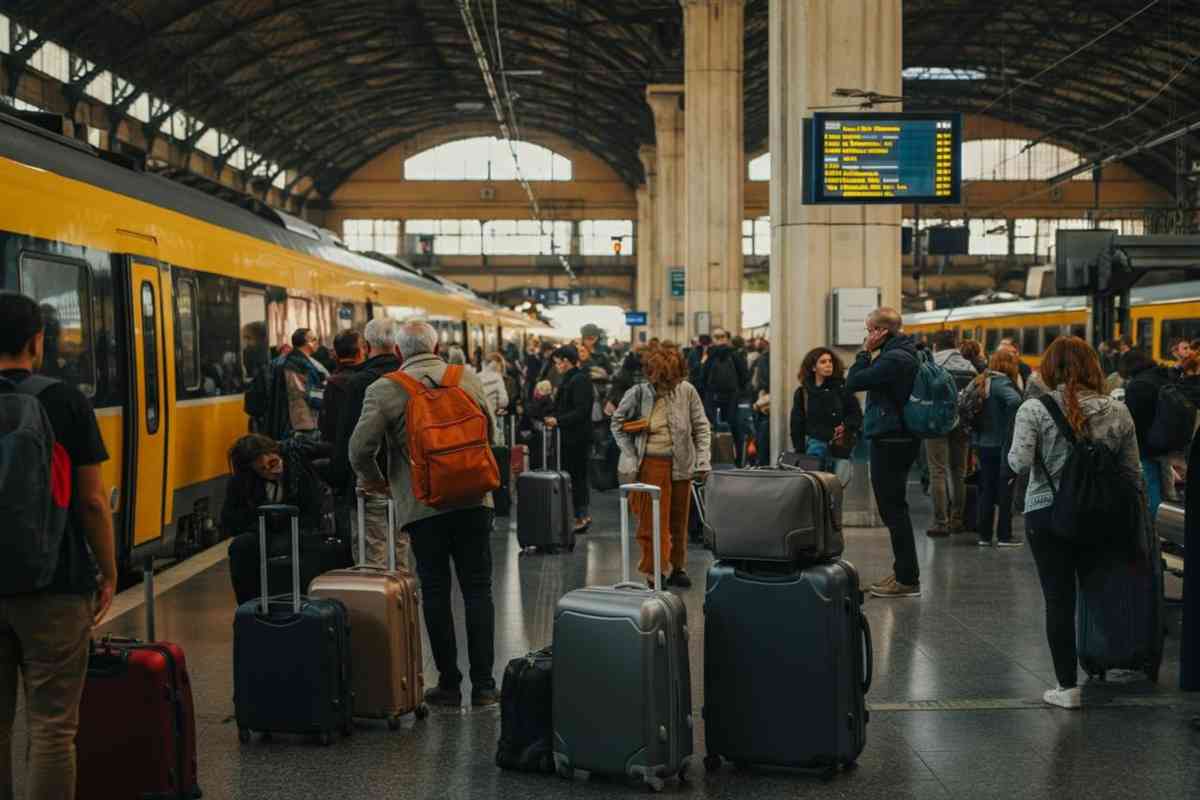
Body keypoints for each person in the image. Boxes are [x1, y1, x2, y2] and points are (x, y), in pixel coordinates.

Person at [0, 292, 115, 800]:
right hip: (56, 583)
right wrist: (108, 573)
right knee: (51, 727)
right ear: (37, 341)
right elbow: (92, 503)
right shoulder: (65, 400)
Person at [349, 320, 499, 708]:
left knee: (434, 591)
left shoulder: (385, 389)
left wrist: (379, 482)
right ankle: (484, 686)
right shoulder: (466, 377)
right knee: (478, 589)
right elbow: (491, 432)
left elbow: (359, 449)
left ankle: (448, 684)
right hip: (473, 501)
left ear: (398, 353)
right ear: (437, 346)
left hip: (422, 505)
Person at [1007, 337, 1143, 709]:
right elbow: (1133, 473)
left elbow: (1018, 463)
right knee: (1100, 591)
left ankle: (1067, 688)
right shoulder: (1117, 411)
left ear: (1050, 368)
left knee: (1059, 599)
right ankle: (1111, 664)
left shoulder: (1034, 409)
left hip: (1047, 514)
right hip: (1102, 513)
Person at [611, 344, 710, 588]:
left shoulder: (687, 391)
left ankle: (677, 567)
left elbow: (701, 425)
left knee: (679, 520)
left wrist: (703, 459)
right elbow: (617, 423)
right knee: (651, 522)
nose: (668, 387)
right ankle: (654, 572)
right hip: (650, 465)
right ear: (652, 374)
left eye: (672, 381)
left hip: (682, 463)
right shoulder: (638, 393)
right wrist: (631, 454)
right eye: (663, 382)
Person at [844, 307, 922, 599]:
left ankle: (907, 578)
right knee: (895, 509)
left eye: (869, 331)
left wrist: (864, 352)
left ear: (881, 332)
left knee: (893, 510)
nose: (867, 336)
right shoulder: (905, 352)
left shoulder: (894, 358)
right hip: (899, 437)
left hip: (892, 440)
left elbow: (854, 381)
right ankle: (903, 571)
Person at [330, 318, 409, 570]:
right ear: (397, 345)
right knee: (401, 547)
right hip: (406, 479)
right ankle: (401, 603)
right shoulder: (410, 378)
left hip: (371, 481)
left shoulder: (359, 382)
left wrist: (345, 479)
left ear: (366, 345)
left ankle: (377, 606)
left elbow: (350, 441)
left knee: (371, 552)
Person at [222, 434, 337, 605]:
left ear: (278, 454)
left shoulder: (298, 467)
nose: (271, 471)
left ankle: (305, 603)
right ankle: (250, 606)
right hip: (264, 531)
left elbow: (313, 506)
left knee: (308, 549)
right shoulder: (242, 482)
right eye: (262, 469)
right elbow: (230, 519)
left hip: (302, 528)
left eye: (273, 463)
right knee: (240, 547)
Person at [925, 330, 977, 537]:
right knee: (959, 471)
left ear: (935, 345)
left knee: (937, 471)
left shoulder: (931, 365)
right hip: (962, 423)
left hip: (937, 423)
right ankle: (957, 520)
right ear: (955, 344)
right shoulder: (969, 366)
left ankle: (940, 522)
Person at [971, 349, 1024, 547]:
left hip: (983, 444)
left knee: (986, 490)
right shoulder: (1002, 383)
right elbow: (1015, 401)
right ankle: (1004, 535)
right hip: (1002, 444)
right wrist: (1012, 422)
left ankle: (984, 535)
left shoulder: (982, 380)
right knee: (1005, 490)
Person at [789, 347, 862, 480]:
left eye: (830, 361)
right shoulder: (803, 393)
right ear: (813, 367)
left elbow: (856, 414)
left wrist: (846, 426)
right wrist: (799, 451)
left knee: (838, 486)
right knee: (815, 486)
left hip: (840, 447)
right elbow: (797, 423)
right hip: (815, 447)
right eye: (823, 362)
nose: (828, 364)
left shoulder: (843, 389)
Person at [545, 345, 595, 532]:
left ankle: (581, 516)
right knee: (573, 476)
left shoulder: (579, 380)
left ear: (566, 361)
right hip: (570, 437)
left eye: (558, 362)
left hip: (577, 438)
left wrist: (558, 420)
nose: (556, 366)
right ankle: (575, 515)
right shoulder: (572, 379)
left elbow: (581, 411)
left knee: (578, 477)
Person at [1121, 348, 1170, 516]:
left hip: (1147, 443)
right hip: (1166, 438)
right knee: (1166, 485)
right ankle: (1169, 523)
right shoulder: (1161, 376)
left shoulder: (1137, 385)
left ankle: (1156, 526)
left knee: (1151, 484)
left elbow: (1132, 418)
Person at [699, 329, 750, 464]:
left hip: (713, 396)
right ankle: (737, 460)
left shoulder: (709, 355)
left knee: (710, 429)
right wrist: (740, 392)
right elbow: (744, 376)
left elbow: (702, 377)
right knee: (735, 429)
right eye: (717, 336)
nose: (720, 339)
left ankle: (712, 459)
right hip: (732, 397)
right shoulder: (735, 355)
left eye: (721, 336)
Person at [279, 328, 330, 439]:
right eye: (315, 339)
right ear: (307, 343)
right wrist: (328, 398)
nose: (318, 342)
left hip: (306, 419)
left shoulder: (302, 361)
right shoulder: (297, 364)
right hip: (304, 422)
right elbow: (308, 393)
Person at [319, 330, 368, 444]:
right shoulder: (365, 379)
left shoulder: (332, 381)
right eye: (363, 347)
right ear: (359, 353)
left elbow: (326, 423)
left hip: (339, 445)